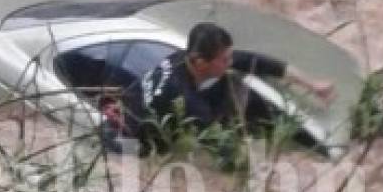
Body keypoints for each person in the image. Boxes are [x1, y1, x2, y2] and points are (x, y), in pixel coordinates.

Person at [114, 21, 334, 161]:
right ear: (200, 62)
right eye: (224, 60)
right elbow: (226, 149)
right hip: (133, 148)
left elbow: (257, 62)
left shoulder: (187, 59)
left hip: (148, 110)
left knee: (241, 93)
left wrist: (312, 85)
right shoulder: (186, 100)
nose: (230, 63)